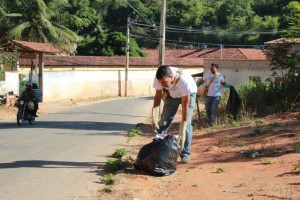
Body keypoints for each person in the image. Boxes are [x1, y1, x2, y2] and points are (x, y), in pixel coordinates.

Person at [152, 65, 197, 163]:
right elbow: (158, 95)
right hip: (172, 94)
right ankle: (158, 149)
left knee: (187, 125)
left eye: (164, 82)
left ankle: (185, 153)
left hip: (188, 94)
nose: (162, 84)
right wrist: (154, 115)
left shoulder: (184, 81)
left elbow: (185, 106)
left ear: (172, 76)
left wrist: (183, 124)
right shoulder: (159, 78)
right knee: (163, 121)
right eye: (160, 82)